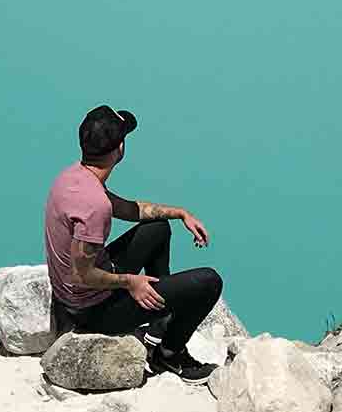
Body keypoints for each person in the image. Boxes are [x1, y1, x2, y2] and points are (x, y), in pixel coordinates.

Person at [44, 104, 221, 382]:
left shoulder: (72, 178)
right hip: (91, 312)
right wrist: (131, 282)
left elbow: (128, 209)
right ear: (120, 149)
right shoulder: (94, 206)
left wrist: (179, 213)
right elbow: (83, 274)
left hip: (76, 293)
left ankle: (160, 320)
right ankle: (169, 355)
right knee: (209, 282)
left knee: (157, 228)